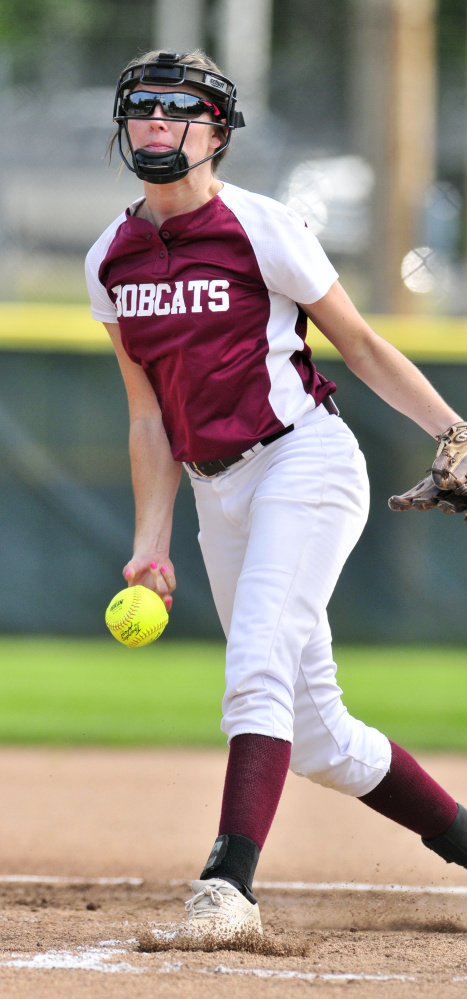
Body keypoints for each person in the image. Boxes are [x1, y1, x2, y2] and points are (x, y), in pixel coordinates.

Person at [86, 48, 467, 941]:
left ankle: (228, 885)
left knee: (256, 657)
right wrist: (152, 545)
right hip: (214, 488)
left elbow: (362, 345)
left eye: (179, 110)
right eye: (142, 107)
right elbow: (148, 420)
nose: (155, 123)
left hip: (303, 463)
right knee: (317, 732)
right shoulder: (112, 258)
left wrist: (453, 430)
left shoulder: (261, 226)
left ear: (216, 132)